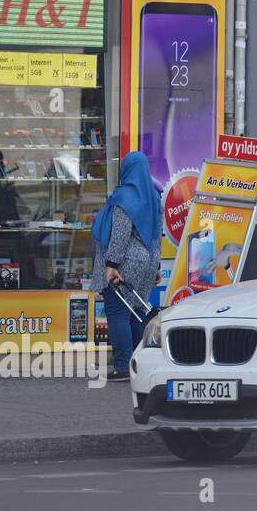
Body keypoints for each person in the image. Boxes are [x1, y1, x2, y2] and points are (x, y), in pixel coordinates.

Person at [91, 151, 162, 383]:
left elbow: (120, 235)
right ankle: (139, 364)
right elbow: (156, 236)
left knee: (118, 312)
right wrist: (157, 265)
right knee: (136, 313)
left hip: (126, 262)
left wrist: (111, 265)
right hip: (148, 261)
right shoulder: (154, 197)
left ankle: (122, 366)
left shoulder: (124, 198)